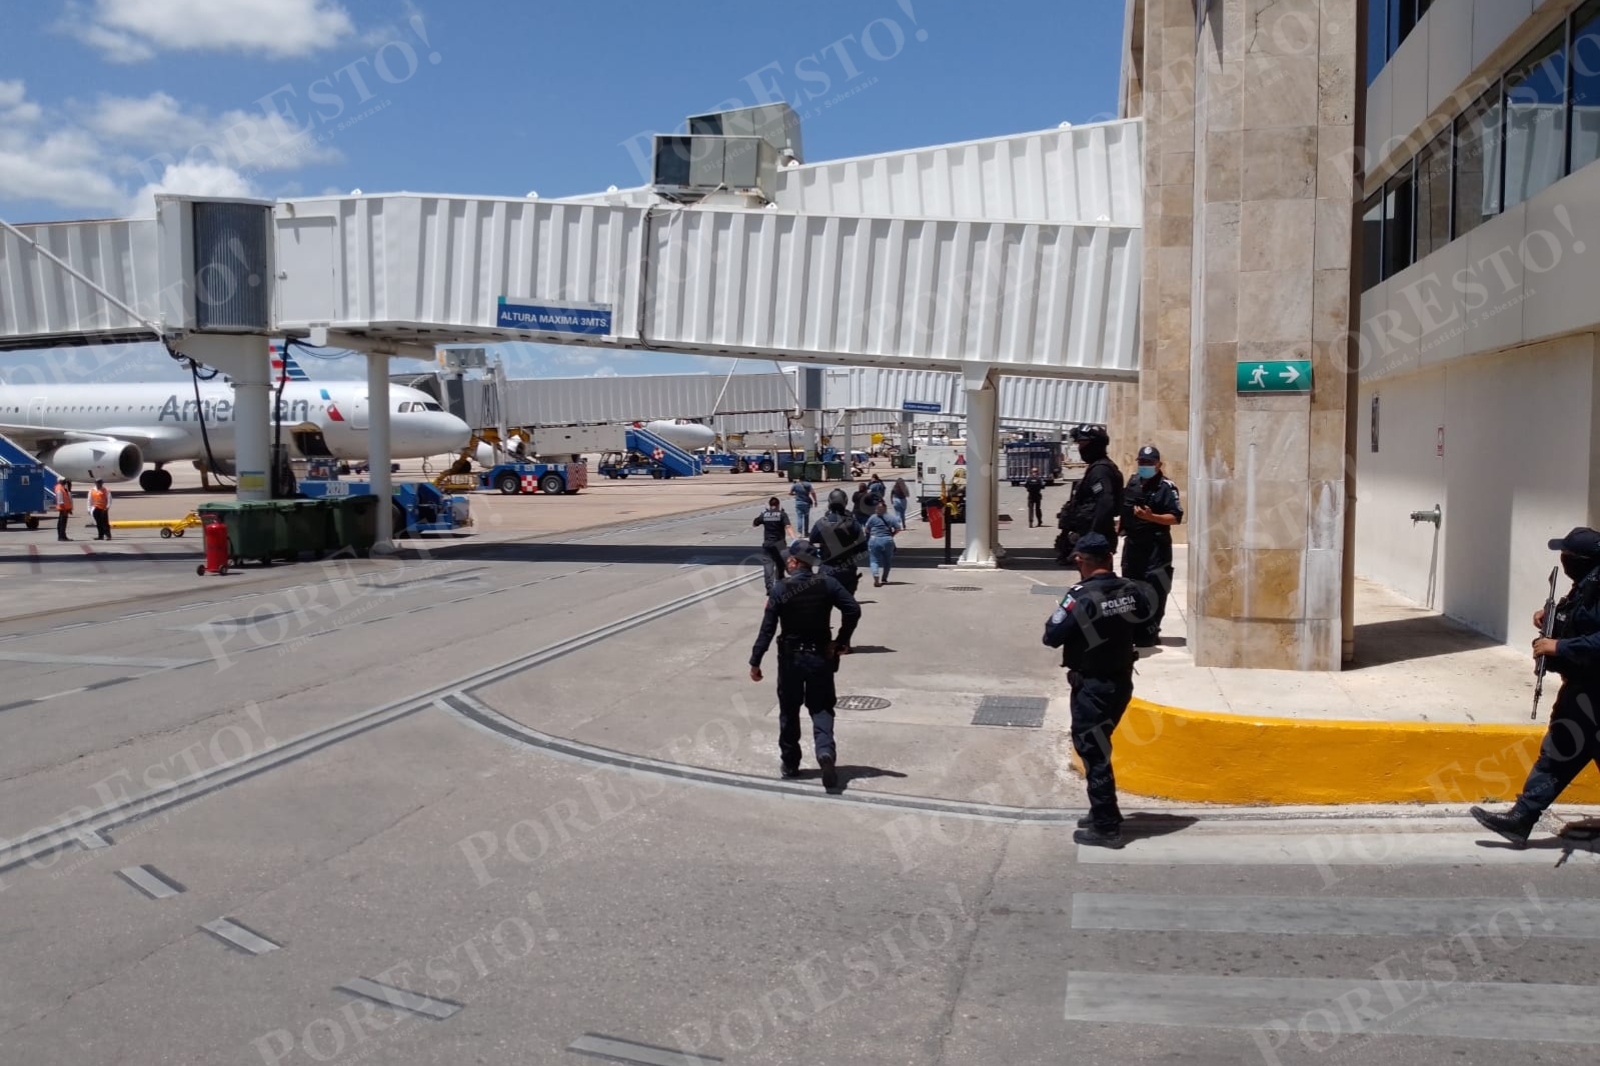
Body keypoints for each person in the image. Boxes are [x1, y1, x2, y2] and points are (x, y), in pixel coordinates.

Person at [1471, 528, 1600, 846]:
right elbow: (1582, 623)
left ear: (1582, 560)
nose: (1563, 559)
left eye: (1567, 554)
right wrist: (1552, 620)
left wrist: (1558, 648)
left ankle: (1522, 818)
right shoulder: (1587, 585)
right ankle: (1522, 818)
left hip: (1593, 693)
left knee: (1559, 753)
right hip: (1585, 689)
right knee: (1562, 752)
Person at [1042, 532, 1150, 849]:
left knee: (1093, 751)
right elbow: (1146, 631)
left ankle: (1106, 828)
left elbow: (1052, 635)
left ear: (1081, 561)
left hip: (1092, 685)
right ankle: (1104, 811)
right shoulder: (1133, 589)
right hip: (1121, 680)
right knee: (1098, 748)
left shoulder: (1081, 595)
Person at [749, 538, 861, 789]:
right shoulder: (828, 584)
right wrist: (841, 641)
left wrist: (756, 660)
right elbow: (853, 609)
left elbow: (767, 629)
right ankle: (825, 753)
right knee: (821, 708)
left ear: (794, 561)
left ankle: (790, 764)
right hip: (821, 657)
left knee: (789, 711)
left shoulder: (780, 589)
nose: (787, 561)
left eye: (790, 558)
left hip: (790, 660)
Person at [1118, 445, 1182, 647]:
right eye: (1142, 462)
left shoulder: (1166, 487)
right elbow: (1125, 509)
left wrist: (1151, 517)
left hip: (1156, 548)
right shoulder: (1134, 482)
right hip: (1134, 545)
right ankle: (1131, 630)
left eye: (1149, 463)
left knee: (1155, 589)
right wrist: (1119, 526)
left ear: (1158, 464)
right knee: (1130, 588)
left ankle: (1149, 631)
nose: (1145, 466)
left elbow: (1175, 518)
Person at [1056, 425, 1124, 565]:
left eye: (1083, 444)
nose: (1080, 448)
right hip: (1091, 538)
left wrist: (1092, 537)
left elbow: (1105, 503)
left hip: (1096, 544)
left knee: (1097, 581)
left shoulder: (1100, 471)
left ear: (1096, 445)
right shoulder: (1096, 467)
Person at [810, 487, 866, 595]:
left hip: (827, 567)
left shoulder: (821, 522)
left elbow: (812, 540)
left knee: (823, 605)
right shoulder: (852, 523)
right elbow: (863, 546)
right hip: (847, 567)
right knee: (849, 605)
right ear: (845, 502)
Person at [753, 496, 793, 592]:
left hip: (768, 544)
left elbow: (754, 524)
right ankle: (780, 583)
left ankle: (770, 588)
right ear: (778, 505)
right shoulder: (782, 514)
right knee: (781, 564)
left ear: (770, 505)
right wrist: (794, 538)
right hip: (780, 545)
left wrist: (761, 515)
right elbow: (788, 526)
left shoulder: (765, 515)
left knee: (768, 567)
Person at [864, 501, 902, 587]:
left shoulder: (872, 518)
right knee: (887, 561)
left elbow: (866, 529)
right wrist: (891, 535)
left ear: (876, 509)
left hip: (874, 540)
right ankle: (884, 578)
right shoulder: (891, 518)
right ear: (885, 509)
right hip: (887, 540)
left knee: (874, 560)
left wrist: (871, 534)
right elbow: (898, 528)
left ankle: (876, 574)